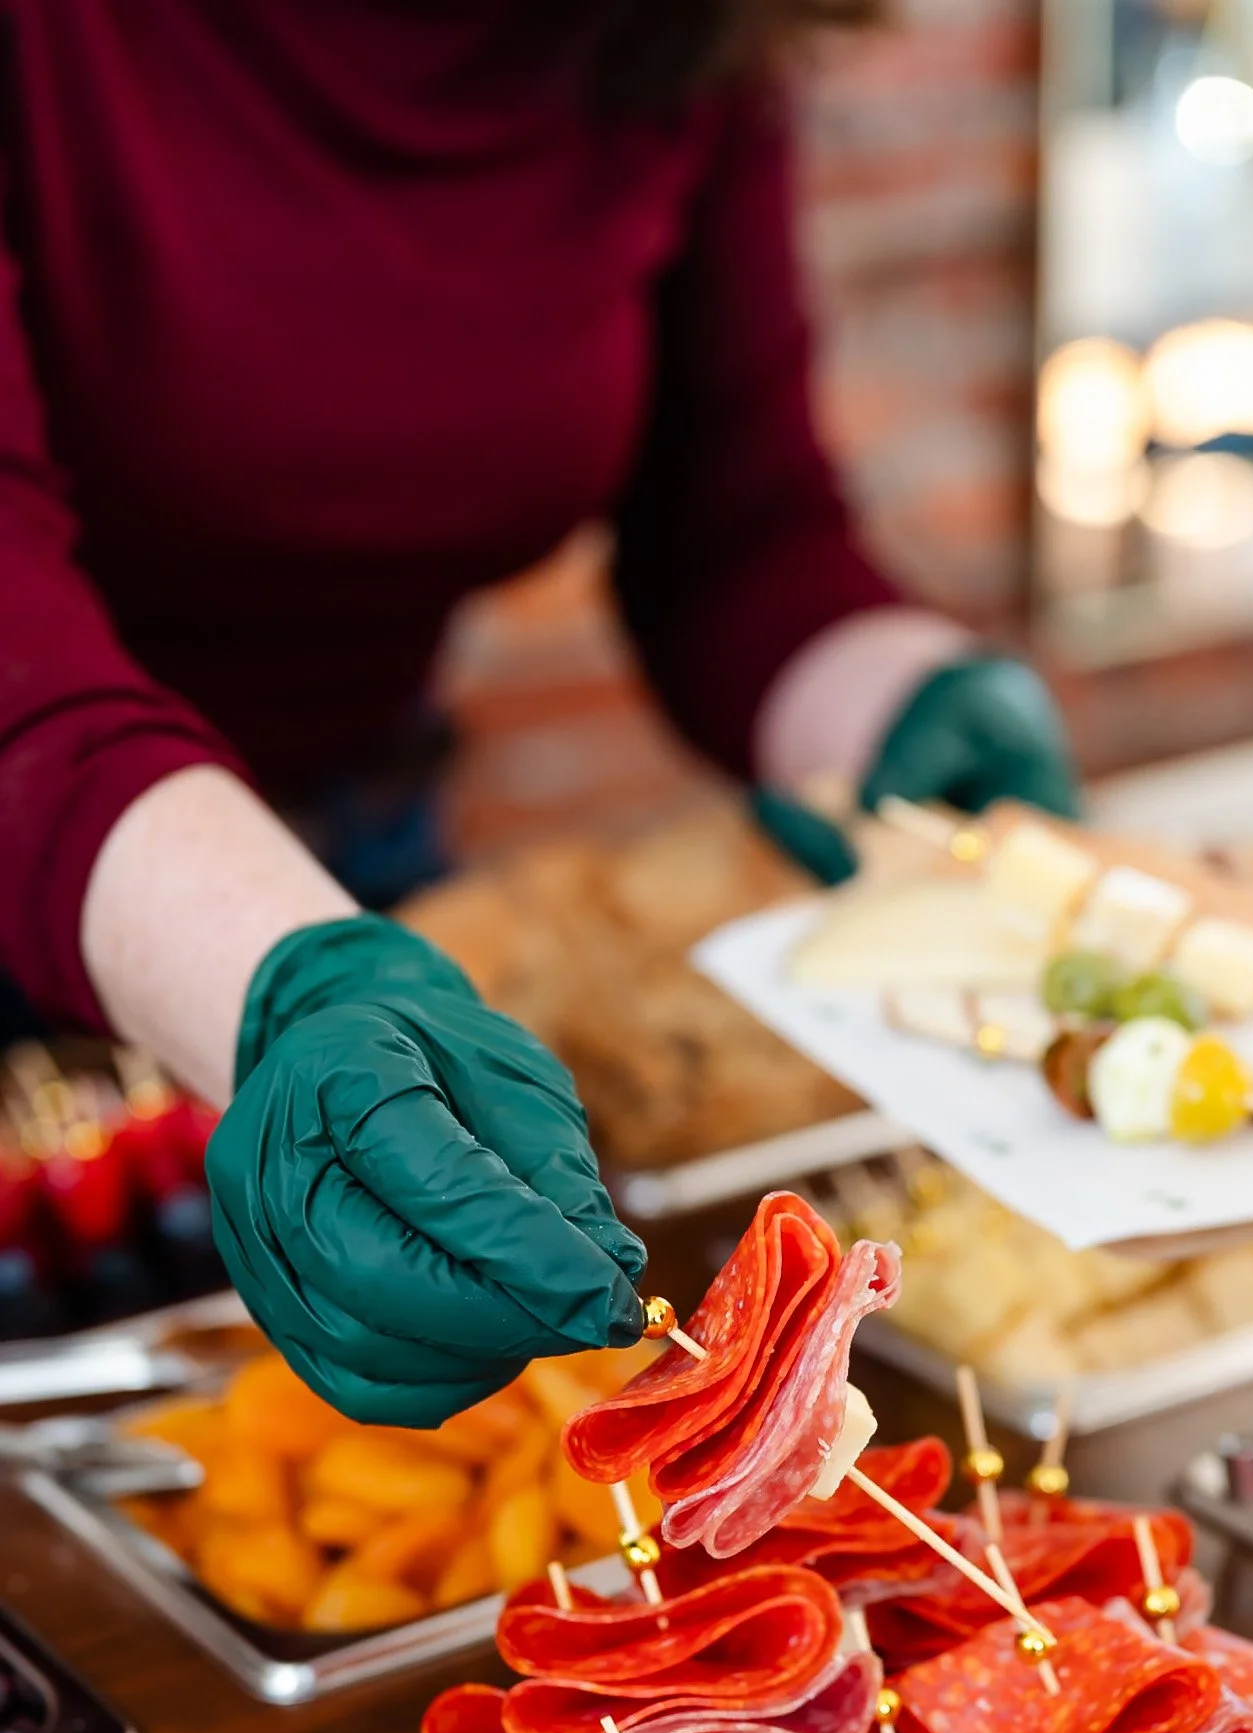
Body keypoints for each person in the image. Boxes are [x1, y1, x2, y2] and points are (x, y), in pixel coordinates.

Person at [0, 1, 1079, 1421]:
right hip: (143, 879)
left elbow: (736, 521)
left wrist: (891, 703)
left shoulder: (684, 37)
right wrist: (285, 984)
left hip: (349, 901)